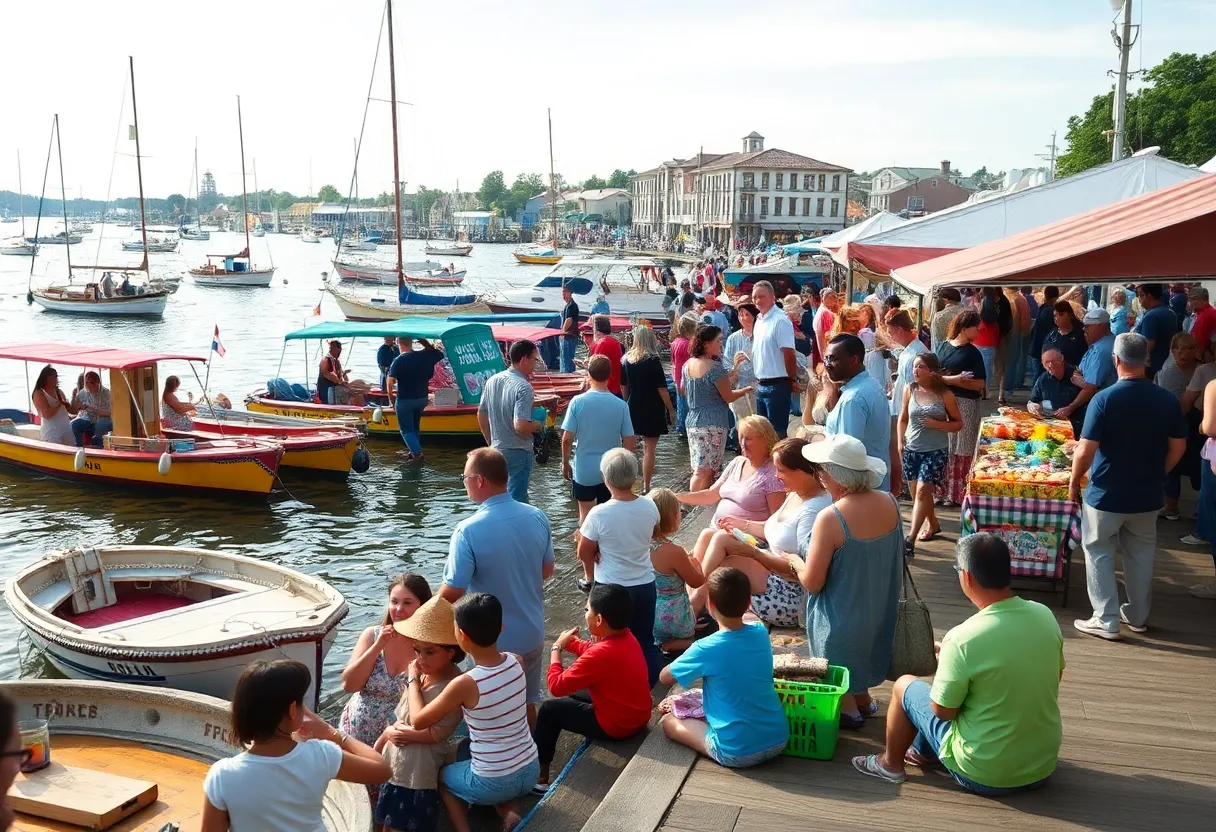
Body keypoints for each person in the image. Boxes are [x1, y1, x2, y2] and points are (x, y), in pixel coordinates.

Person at [852, 533, 1064, 794]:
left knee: (905, 686)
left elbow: (943, 712)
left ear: (967, 576)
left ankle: (890, 765)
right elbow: (1055, 676)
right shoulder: (1045, 616)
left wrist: (949, 663)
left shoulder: (963, 638)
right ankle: (922, 752)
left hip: (983, 773)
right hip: (1041, 767)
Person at [1070, 333, 1186, 640]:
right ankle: (1137, 615)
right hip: (1148, 494)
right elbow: (1178, 446)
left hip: (1106, 492)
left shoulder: (1105, 398)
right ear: (1147, 361)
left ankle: (1106, 618)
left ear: (1116, 360)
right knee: (1141, 554)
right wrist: (1160, 471)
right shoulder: (1167, 399)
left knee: (1098, 551)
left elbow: (1084, 450)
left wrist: (1073, 482)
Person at [784, 435, 901, 726]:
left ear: (834, 476)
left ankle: (849, 713)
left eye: (821, 471)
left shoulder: (831, 517)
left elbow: (812, 582)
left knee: (840, 676)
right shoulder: (890, 502)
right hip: (878, 609)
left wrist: (793, 561)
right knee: (861, 659)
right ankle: (864, 703)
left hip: (840, 619)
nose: (819, 477)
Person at [201, 660, 391, 832]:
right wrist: (330, 732)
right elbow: (382, 770)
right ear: (292, 710)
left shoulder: (222, 775)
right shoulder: (321, 755)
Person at [408, 594, 540, 832]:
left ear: (461, 636)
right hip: (531, 768)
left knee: (444, 778)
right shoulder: (516, 661)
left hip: (494, 780)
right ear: (500, 628)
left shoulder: (466, 683)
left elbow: (418, 721)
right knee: (476, 756)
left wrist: (412, 680)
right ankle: (510, 812)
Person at [441, 448, 555, 720]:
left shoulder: (467, 530)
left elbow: (453, 591)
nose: (464, 482)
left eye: (465, 477)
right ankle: (535, 758)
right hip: (532, 631)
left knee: (486, 710)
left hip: (489, 642)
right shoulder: (537, 515)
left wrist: (421, 612)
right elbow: (547, 570)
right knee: (527, 702)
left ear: (479, 480)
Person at [658, 568, 789, 768]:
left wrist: (691, 650)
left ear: (710, 605)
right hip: (779, 739)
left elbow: (664, 677)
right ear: (749, 603)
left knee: (669, 723)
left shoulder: (704, 648)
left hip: (736, 752)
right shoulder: (760, 632)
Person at [699, 437, 832, 627]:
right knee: (710, 535)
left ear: (801, 472)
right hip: (773, 568)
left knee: (725, 567)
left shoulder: (812, 511)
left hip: (790, 594)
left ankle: (694, 608)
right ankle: (696, 602)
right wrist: (741, 525)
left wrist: (754, 554)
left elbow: (803, 572)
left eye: (781, 470)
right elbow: (773, 528)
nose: (776, 476)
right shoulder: (796, 493)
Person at [534, 583, 653, 792]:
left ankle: (540, 778)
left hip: (618, 727)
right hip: (637, 716)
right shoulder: (626, 636)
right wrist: (572, 643)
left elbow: (555, 685)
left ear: (599, 620)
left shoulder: (601, 655)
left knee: (548, 710)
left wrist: (556, 648)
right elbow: (593, 649)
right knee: (575, 690)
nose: (585, 612)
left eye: (587, 609)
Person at [373, 597, 464, 832]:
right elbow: (400, 720)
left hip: (417, 776)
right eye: (417, 650)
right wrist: (384, 738)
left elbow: (436, 732)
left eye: (429, 652)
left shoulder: (453, 686)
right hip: (396, 768)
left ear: (451, 652)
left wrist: (412, 680)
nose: (420, 659)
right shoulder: (423, 674)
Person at [339, 574, 430, 807]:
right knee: (353, 800)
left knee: (385, 805)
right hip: (357, 731)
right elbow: (350, 685)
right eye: (394, 601)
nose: (398, 609)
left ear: (423, 605)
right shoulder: (372, 635)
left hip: (395, 739)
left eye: (407, 603)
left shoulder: (428, 647)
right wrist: (377, 647)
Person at [577, 448, 662, 685]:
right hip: (644, 583)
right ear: (635, 477)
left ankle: (615, 683)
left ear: (605, 479)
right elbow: (653, 533)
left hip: (610, 587)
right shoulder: (649, 506)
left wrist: (595, 556)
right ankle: (648, 682)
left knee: (609, 642)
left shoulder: (599, 513)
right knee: (645, 638)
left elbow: (583, 552)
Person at [562, 355, 636, 587]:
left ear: (589, 374)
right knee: (609, 518)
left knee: (586, 519)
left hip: (584, 469)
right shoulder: (620, 404)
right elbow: (629, 440)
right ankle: (609, 569)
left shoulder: (578, 402)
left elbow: (567, 438)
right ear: (610, 375)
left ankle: (589, 576)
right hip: (611, 470)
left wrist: (566, 463)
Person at [679, 414, 784, 538]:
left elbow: (776, 522)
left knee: (709, 537)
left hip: (746, 537)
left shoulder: (772, 474)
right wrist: (675, 497)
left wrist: (742, 525)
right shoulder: (737, 462)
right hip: (718, 532)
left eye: (749, 438)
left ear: (766, 440)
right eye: (741, 437)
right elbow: (711, 495)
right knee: (706, 536)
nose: (743, 444)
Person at [898, 353, 962, 555]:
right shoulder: (910, 389)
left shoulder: (945, 394)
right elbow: (903, 419)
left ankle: (910, 539)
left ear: (932, 371)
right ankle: (933, 524)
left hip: (935, 449)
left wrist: (939, 425)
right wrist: (900, 442)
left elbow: (958, 424)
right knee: (919, 493)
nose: (915, 371)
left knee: (922, 492)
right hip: (911, 449)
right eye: (915, 367)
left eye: (921, 367)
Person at [684, 325, 753, 491]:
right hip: (713, 421)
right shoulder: (715, 368)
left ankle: (695, 503)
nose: (721, 344)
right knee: (708, 471)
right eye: (719, 341)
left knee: (698, 469)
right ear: (707, 344)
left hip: (693, 420)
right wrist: (745, 390)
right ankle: (700, 503)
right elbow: (728, 396)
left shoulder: (688, 365)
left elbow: (684, 391)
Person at [824, 333, 893, 492]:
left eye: (833, 359)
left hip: (859, 491)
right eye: (826, 358)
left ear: (853, 359)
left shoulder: (853, 399)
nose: (828, 364)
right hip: (875, 487)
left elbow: (847, 456)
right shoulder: (871, 386)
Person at [478, 340, 543, 503]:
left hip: (497, 450)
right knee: (518, 501)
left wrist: (490, 442)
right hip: (519, 451)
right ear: (524, 359)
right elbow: (520, 426)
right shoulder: (524, 387)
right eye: (534, 359)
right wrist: (539, 426)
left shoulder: (493, 380)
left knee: (497, 500)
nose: (535, 364)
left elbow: (481, 413)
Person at [934, 310, 987, 505]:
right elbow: (934, 376)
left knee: (963, 446)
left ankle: (957, 493)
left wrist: (958, 383)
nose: (979, 332)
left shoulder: (973, 353)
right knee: (946, 445)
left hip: (966, 402)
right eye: (976, 328)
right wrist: (955, 380)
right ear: (964, 329)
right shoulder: (942, 348)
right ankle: (942, 491)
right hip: (945, 401)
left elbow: (980, 384)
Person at [620, 326, 675, 492]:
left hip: (633, 405)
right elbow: (662, 389)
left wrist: (625, 404)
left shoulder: (626, 360)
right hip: (652, 407)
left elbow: (623, 387)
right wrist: (671, 410)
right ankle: (646, 485)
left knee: (629, 448)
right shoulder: (653, 361)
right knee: (649, 449)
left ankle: (624, 483)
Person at [649, 488, 704, 652]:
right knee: (693, 638)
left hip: (648, 613)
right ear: (672, 517)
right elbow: (697, 582)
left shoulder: (637, 545)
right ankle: (667, 645)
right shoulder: (674, 551)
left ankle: (658, 640)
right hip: (672, 618)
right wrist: (695, 563)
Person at [1157, 333, 1201, 522]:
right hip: (1175, 420)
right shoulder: (1168, 372)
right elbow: (1176, 407)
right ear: (1173, 351)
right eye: (1179, 348)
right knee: (1172, 463)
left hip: (1199, 423)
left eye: (1189, 348)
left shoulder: (1202, 369)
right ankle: (1171, 506)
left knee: (1199, 465)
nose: (1183, 352)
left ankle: (1202, 507)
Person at [1055, 308, 1117, 430]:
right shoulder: (1098, 344)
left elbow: (1090, 388)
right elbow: (1079, 371)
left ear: (1101, 326)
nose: (1084, 329)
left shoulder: (1102, 351)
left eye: (1088, 326)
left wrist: (1071, 407)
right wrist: (1083, 381)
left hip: (1100, 406)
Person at [752, 281, 799, 437]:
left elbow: (789, 354)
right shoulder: (759, 320)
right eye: (754, 297)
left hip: (777, 385)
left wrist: (792, 379)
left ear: (773, 297)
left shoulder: (780, 321)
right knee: (763, 434)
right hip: (760, 384)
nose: (757, 301)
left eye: (761, 296)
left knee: (777, 434)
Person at [387, 337, 445, 461]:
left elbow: (390, 383)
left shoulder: (399, 360)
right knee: (414, 426)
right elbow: (437, 352)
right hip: (421, 399)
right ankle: (412, 451)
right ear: (412, 342)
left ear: (399, 344)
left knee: (406, 430)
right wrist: (421, 338)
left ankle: (417, 454)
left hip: (405, 399)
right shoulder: (425, 356)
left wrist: (391, 400)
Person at [1028, 349, 1083, 435]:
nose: (1050, 365)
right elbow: (1032, 401)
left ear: (1062, 360)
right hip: (1050, 423)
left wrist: (1071, 408)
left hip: (1075, 424)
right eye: (1046, 362)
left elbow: (1090, 393)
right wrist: (1032, 406)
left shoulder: (1076, 376)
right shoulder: (1043, 379)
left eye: (1053, 362)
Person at [1134, 283, 1178, 378]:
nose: (1139, 299)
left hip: (1152, 367)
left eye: (1141, 295)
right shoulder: (1170, 313)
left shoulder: (1151, 316)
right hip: (1168, 363)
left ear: (1148, 296)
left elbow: (1148, 344)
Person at [723, 303, 759, 420]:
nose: (743, 318)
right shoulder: (733, 338)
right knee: (743, 424)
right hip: (740, 388)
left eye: (747, 314)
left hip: (759, 388)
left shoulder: (761, 335)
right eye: (740, 315)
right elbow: (726, 366)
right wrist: (735, 364)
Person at [30, 365, 76, 445]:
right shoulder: (39, 393)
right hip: (52, 433)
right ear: (46, 378)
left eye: (57, 376)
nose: (56, 379)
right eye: (54, 376)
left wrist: (75, 398)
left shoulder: (59, 391)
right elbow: (46, 414)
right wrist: (59, 403)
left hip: (66, 430)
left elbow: (71, 410)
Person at [68, 371, 111, 448]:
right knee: (73, 424)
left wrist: (93, 410)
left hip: (102, 418)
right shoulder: (82, 393)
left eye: (92, 382)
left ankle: (99, 446)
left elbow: (110, 413)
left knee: (100, 423)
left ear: (98, 382)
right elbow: (74, 410)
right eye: (86, 382)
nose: (89, 385)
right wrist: (76, 401)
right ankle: (79, 447)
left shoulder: (106, 393)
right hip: (87, 419)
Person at [1027, 286, 1060, 384]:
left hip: (1037, 348)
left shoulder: (1042, 308)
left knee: (1037, 377)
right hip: (1044, 349)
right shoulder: (1051, 311)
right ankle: (1036, 398)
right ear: (1056, 296)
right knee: (1041, 377)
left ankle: (1035, 397)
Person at [1001, 286, 1031, 396]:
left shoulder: (1001, 296)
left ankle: (998, 389)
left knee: (1000, 363)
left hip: (999, 334)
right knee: (1012, 362)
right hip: (1014, 333)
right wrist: (1024, 334)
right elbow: (1025, 320)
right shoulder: (1020, 299)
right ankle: (1007, 389)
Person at [671, 314, 697, 434]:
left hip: (678, 380)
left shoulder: (676, 342)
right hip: (685, 382)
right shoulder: (687, 345)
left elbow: (674, 364)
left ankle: (681, 431)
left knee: (682, 410)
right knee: (688, 413)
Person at [1041, 300, 1087, 368]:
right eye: (1055, 316)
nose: (1056, 319)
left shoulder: (1080, 335)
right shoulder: (1052, 334)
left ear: (1069, 315)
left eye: (1060, 315)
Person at [587, 315, 623, 395]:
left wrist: (586, 365)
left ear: (597, 331)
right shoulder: (615, 342)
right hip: (615, 386)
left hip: (605, 388)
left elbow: (595, 368)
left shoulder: (601, 343)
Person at [318, 339, 351, 405]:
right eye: (339, 349)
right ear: (333, 348)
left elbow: (341, 374)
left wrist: (344, 377)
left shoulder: (337, 362)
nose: (340, 351)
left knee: (354, 390)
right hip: (327, 391)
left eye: (340, 349)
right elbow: (327, 373)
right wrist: (339, 382)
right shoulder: (325, 360)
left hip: (336, 389)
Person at [1187, 286, 1216, 361]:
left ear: (1203, 300)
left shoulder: (1206, 315)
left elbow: (1199, 340)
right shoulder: (1203, 312)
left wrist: (1196, 357)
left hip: (1205, 356)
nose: (1190, 303)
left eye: (1193, 299)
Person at [813, 288, 840, 358]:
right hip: (827, 350)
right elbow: (830, 335)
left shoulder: (821, 310)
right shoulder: (825, 313)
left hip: (822, 349)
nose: (835, 300)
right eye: (832, 297)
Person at [559, 285, 580, 373]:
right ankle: (566, 373)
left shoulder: (572, 306)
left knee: (567, 358)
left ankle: (567, 375)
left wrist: (563, 332)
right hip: (568, 335)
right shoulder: (568, 305)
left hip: (569, 335)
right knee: (565, 357)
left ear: (570, 293)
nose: (563, 294)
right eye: (563, 292)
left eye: (565, 292)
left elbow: (569, 320)